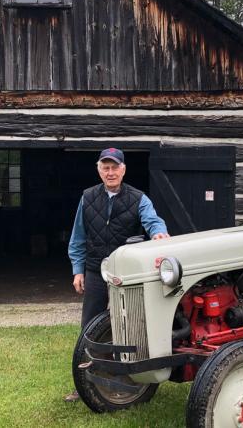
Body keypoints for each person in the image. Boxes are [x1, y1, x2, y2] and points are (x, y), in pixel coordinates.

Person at [64, 147, 170, 402]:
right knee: (90, 326)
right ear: (99, 170)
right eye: (105, 167)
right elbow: (78, 238)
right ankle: (87, 383)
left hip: (128, 274)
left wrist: (159, 233)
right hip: (95, 270)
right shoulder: (87, 198)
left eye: (115, 167)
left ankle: (132, 376)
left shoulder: (139, 198)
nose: (110, 172)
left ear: (123, 170)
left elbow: (153, 221)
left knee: (131, 323)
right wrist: (78, 270)